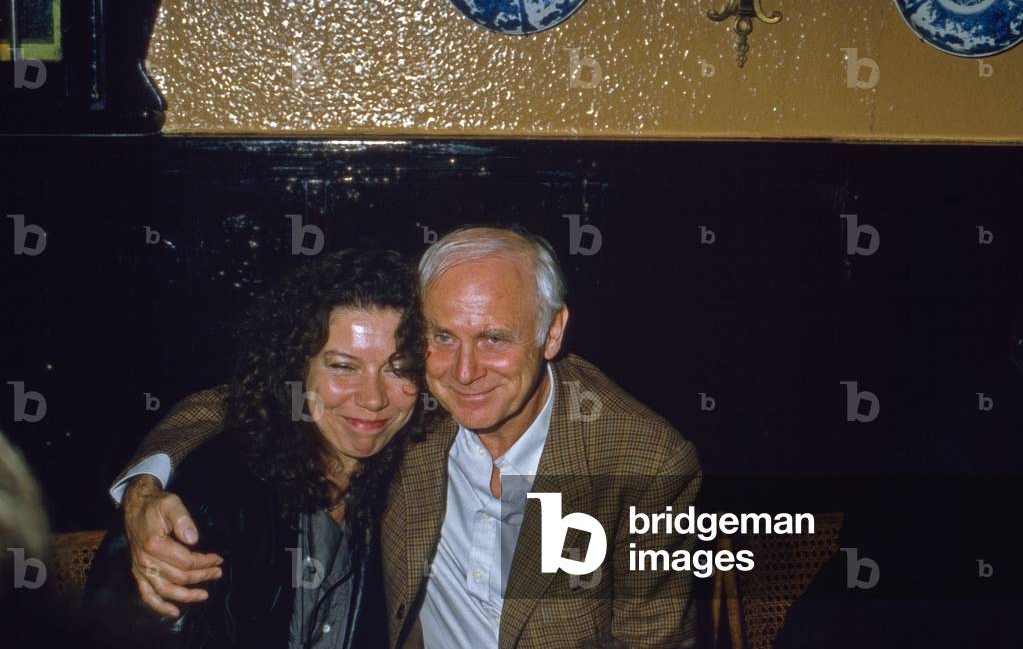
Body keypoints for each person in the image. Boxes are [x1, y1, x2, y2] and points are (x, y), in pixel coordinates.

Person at [110, 226, 702, 648]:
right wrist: (143, 486)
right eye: (442, 336)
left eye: (494, 337)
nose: (465, 371)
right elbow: (235, 401)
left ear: (553, 333)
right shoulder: (418, 404)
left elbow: (654, 641)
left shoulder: (645, 463)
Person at [87, 248, 427, 649]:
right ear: (296, 368)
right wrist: (143, 485)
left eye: (398, 368)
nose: (373, 398)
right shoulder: (209, 506)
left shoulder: (408, 469)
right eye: (342, 366)